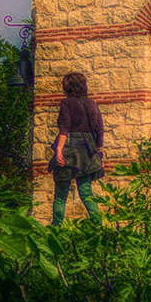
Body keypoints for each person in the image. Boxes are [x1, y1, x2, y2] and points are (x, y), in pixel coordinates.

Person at [51, 71, 105, 225]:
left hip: (70, 148)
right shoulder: (93, 104)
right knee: (86, 192)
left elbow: (64, 127)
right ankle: (98, 226)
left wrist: (59, 150)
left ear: (67, 87)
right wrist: (100, 153)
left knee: (61, 194)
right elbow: (100, 130)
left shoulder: (67, 103)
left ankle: (56, 229)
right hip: (88, 149)